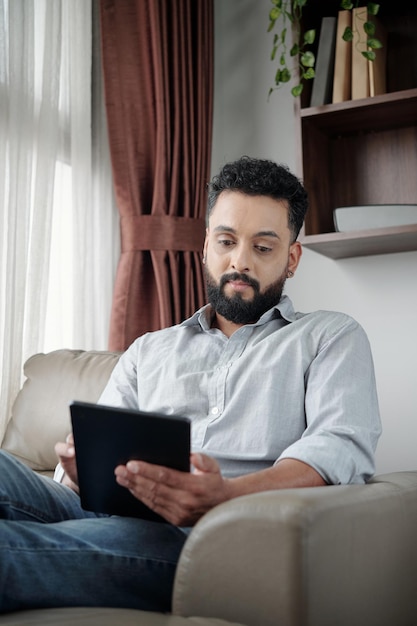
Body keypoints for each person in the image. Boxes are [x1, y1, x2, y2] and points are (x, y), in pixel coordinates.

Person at [0, 156, 381, 614]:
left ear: (292, 258)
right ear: (205, 247)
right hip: (106, 511)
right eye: (226, 241)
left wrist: (225, 497)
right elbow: (87, 461)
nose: (239, 261)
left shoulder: (329, 337)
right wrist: (83, 472)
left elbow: (339, 447)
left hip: (208, 539)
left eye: (263, 247)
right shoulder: (149, 350)